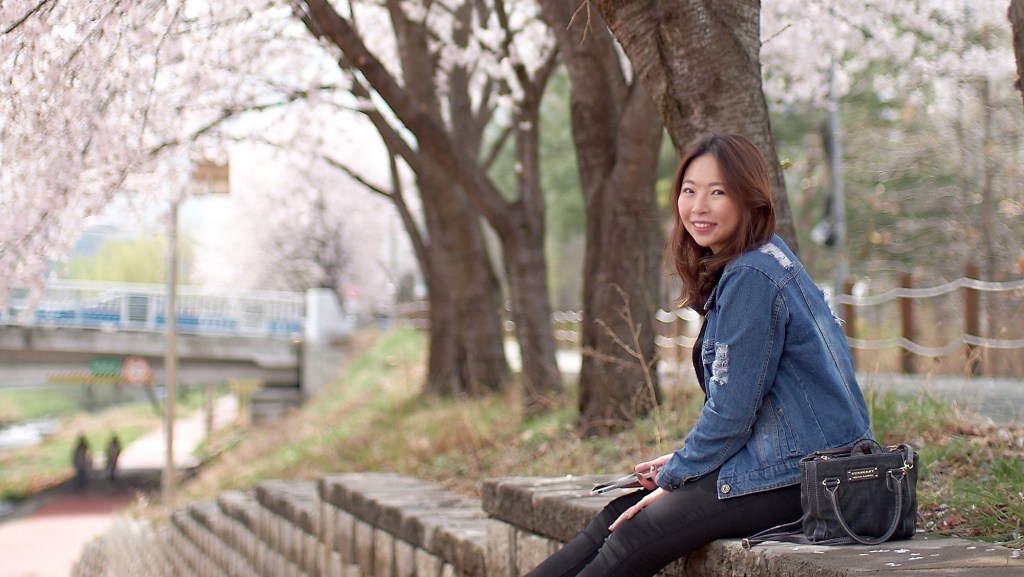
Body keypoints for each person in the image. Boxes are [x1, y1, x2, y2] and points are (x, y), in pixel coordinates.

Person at [525, 133, 873, 577]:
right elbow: (754, 409)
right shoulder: (764, 259)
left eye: (718, 192)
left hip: (807, 480)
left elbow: (731, 415)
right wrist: (682, 463)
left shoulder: (752, 275)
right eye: (689, 191)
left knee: (634, 529)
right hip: (803, 465)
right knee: (617, 515)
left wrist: (678, 477)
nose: (698, 207)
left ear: (750, 200)